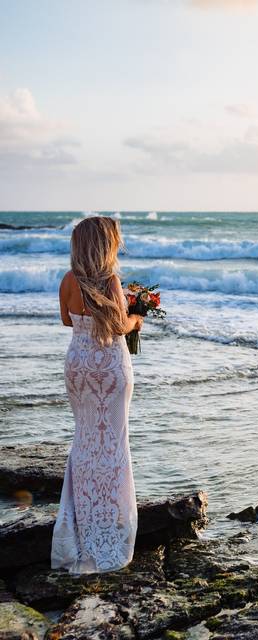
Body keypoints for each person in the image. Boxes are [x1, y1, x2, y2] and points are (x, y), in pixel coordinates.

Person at [51, 216, 143, 573]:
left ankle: (80, 529)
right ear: (105, 245)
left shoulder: (68, 280)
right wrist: (136, 320)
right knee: (114, 445)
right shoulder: (110, 281)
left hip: (78, 366)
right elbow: (118, 325)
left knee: (85, 442)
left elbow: (66, 320)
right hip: (109, 366)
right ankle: (111, 531)